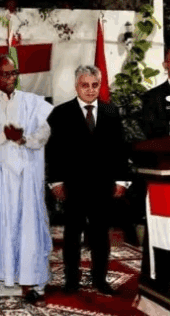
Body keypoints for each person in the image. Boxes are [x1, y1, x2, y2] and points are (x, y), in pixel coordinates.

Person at [0, 54, 53, 304]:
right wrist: (1, 136)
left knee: (26, 230)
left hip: (24, 179)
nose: (10, 78)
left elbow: (44, 132)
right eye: (4, 74)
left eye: (13, 73)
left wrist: (23, 138)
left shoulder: (31, 102)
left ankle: (27, 284)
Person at [46, 65, 128, 296]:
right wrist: (56, 182)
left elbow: (120, 149)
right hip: (73, 185)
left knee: (100, 235)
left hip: (103, 185)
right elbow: (54, 151)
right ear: (76, 86)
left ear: (99, 86)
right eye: (85, 85)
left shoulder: (111, 112)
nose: (90, 90)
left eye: (94, 85)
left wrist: (122, 180)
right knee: (72, 234)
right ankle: (71, 280)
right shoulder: (61, 113)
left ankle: (100, 279)